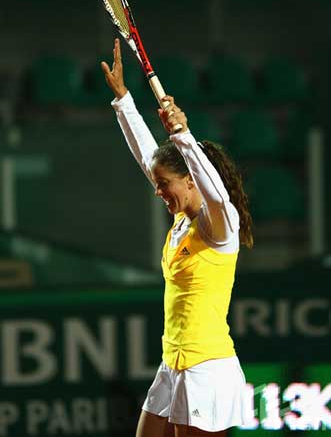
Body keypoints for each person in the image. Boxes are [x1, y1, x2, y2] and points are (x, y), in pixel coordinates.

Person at [101, 38, 253, 437]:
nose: (157, 191)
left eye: (165, 184)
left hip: (207, 369)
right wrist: (124, 102)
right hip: (174, 364)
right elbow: (148, 155)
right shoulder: (182, 220)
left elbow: (216, 191)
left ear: (190, 180)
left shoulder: (219, 226)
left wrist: (183, 135)